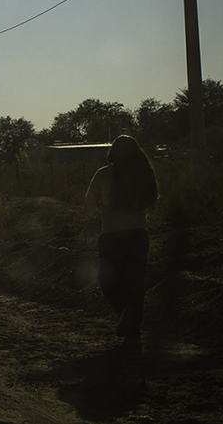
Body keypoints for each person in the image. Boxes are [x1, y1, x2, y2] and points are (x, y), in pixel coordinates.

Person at [85, 135, 159, 358]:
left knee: (107, 281)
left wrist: (104, 204)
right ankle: (133, 332)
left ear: (113, 153)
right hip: (139, 234)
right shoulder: (144, 173)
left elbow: (89, 201)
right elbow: (152, 199)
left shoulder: (104, 174)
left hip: (111, 235)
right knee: (136, 284)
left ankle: (123, 310)